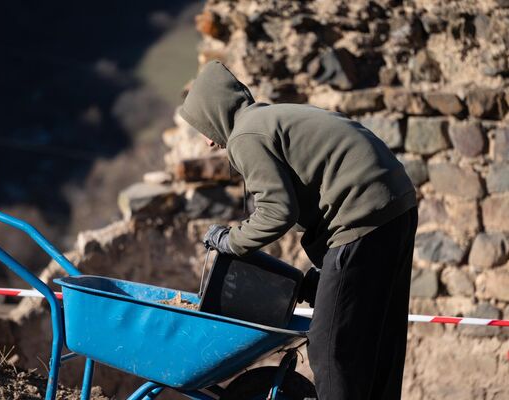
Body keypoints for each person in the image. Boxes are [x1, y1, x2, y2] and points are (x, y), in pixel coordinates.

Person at [178, 60, 418, 400]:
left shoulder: (245, 136)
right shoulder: (269, 118)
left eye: (202, 127)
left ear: (215, 112)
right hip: (395, 205)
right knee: (377, 336)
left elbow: (277, 211)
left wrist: (229, 241)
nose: (207, 143)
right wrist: (324, 272)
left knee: (329, 344)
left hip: (362, 215)